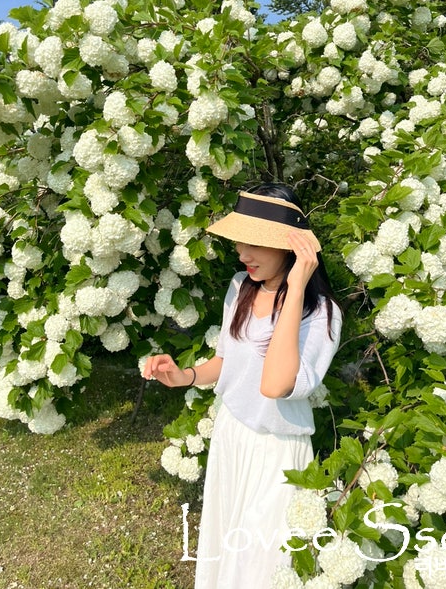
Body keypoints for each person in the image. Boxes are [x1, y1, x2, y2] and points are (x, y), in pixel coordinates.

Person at [143, 183, 342, 588]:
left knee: (263, 563)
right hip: (231, 434)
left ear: (291, 246)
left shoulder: (321, 314)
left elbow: (275, 384)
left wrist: (295, 288)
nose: (241, 253)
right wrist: (183, 376)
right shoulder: (241, 287)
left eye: (255, 243)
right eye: (240, 242)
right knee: (228, 542)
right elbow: (226, 361)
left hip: (276, 450)